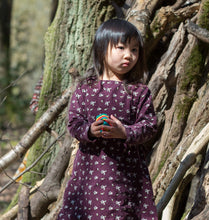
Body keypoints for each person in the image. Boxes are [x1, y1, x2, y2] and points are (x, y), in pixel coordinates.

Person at [58, 19, 158, 220]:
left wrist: (125, 132)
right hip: (89, 172)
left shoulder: (139, 92)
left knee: (121, 212)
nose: (129, 55)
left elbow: (149, 125)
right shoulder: (85, 89)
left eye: (135, 50)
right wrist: (90, 130)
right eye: (121, 47)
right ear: (102, 49)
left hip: (126, 174)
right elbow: (74, 123)